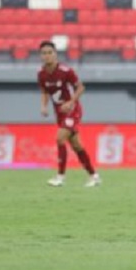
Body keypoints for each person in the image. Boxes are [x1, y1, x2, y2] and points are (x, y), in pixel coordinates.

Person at [37, 40, 101, 187]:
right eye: (43, 53)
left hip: (73, 110)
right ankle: (94, 176)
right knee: (77, 146)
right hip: (59, 113)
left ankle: (60, 177)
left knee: (60, 138)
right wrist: (44, 106)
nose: (46, 56)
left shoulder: (66, 71)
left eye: (49, 52)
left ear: (55, 54)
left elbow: (81, 88)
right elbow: (44, 91)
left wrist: (71, 102)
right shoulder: (41, 74)